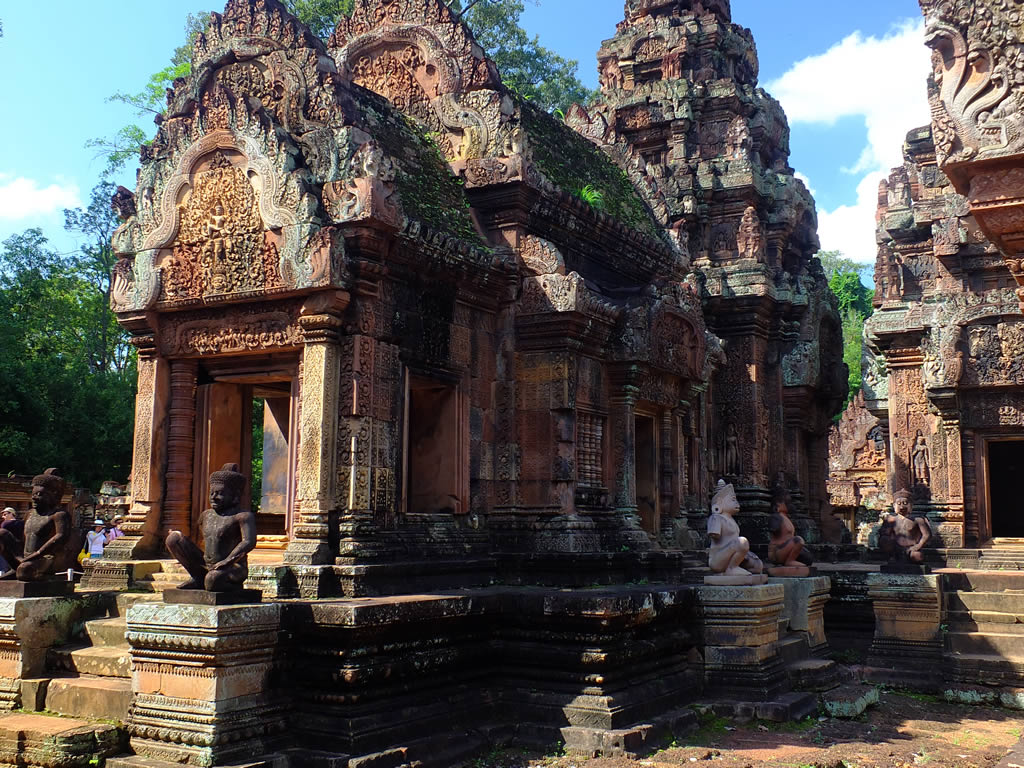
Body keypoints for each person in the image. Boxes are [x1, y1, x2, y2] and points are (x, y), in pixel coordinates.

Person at [166, 463, 256, 592]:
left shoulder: (243, 516)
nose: (214, 497)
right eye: (212, 493)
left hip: (233, 567)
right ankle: (198, 577)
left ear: (235, 496)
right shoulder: (206, 515)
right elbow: (205, 540)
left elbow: (248, 542)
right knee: (173, 539)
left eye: (220, 494)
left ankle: (226, 585)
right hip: (207, 565)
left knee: (211, 581)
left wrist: (227, 561)